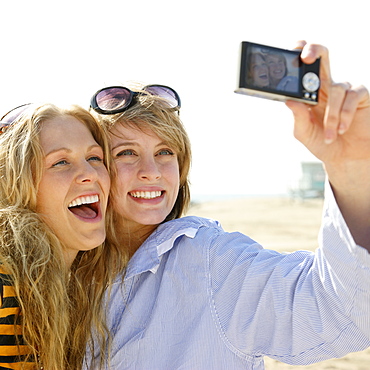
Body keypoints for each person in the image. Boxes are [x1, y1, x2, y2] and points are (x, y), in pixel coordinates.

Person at [86, 42, 370, 369]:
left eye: (165, 152)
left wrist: (352, 167)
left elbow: (342, 313)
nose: (151, 172)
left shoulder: (210, 261)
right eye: (126, 153)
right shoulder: (61, 266)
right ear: (95, 168)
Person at [0, 103, 118, 370]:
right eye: (61, 162)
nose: (90, 174)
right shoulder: (5, 284)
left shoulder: (78, 285)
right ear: (16, 185)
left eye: (95, 158)